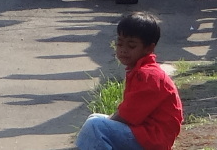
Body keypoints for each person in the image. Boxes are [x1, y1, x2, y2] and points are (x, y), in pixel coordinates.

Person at [74, 12, 182, 150]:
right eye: (119, 44)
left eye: (131, 46)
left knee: (95, 126)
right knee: (94, 118)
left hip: (153, 139)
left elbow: (128, 115)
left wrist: (108, 122)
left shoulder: (148, 75)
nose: (123, 50)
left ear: (149, 48)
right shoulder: (140, 71)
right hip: (146, 134)